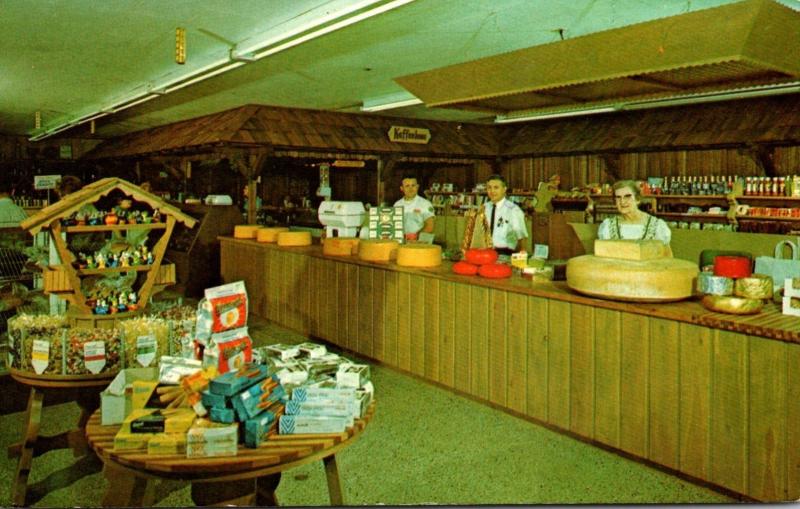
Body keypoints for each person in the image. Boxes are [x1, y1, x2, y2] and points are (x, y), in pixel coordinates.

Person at [598, 179, 671, 245]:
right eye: (618, 197)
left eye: (627, 196)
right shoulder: (608, 227)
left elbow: (667, 256)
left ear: (637, 199)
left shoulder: (657, 226)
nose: (622, 202)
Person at [484, 174, 528, 254]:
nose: (492, 191)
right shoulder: (484, 208)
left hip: (505, 253)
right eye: (489, 188)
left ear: (504, 189)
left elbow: (522, 237)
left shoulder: (513, 210)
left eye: (496, 187)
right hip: (485, 251)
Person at [393, 175, 434, 240]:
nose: (411, 188)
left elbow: (430, 226)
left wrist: (416, 236)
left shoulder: (425, 204)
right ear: (401, 188)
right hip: (401, 242)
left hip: (420, 243)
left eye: (413, 185)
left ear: (417, 187)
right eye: (407, 186)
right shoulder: (397, 205)